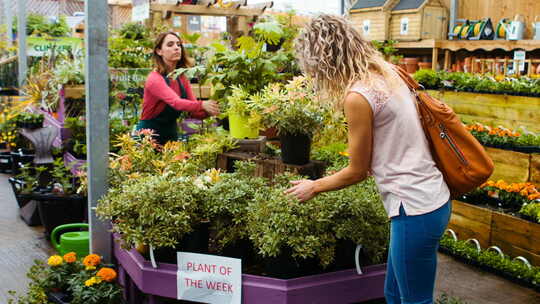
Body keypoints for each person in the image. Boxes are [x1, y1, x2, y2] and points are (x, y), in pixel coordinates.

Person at [286, 15, 451, 304]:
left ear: (322, 58)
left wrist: (313, 186)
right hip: (428, 199)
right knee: (393, 294)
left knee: (414, 300)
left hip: (414, 206)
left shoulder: (358, 96)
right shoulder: (387, 72)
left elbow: (356, 172)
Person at [136, 31, 220, 145]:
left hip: (171, 136)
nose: (176, 48)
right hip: (148, 136)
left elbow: (193, 112)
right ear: (159, 51)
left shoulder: (182, 78)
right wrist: (203, 104)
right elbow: (176, 102)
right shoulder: (154, 79)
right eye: (170, 44)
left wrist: (211, 110)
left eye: (178, 44)